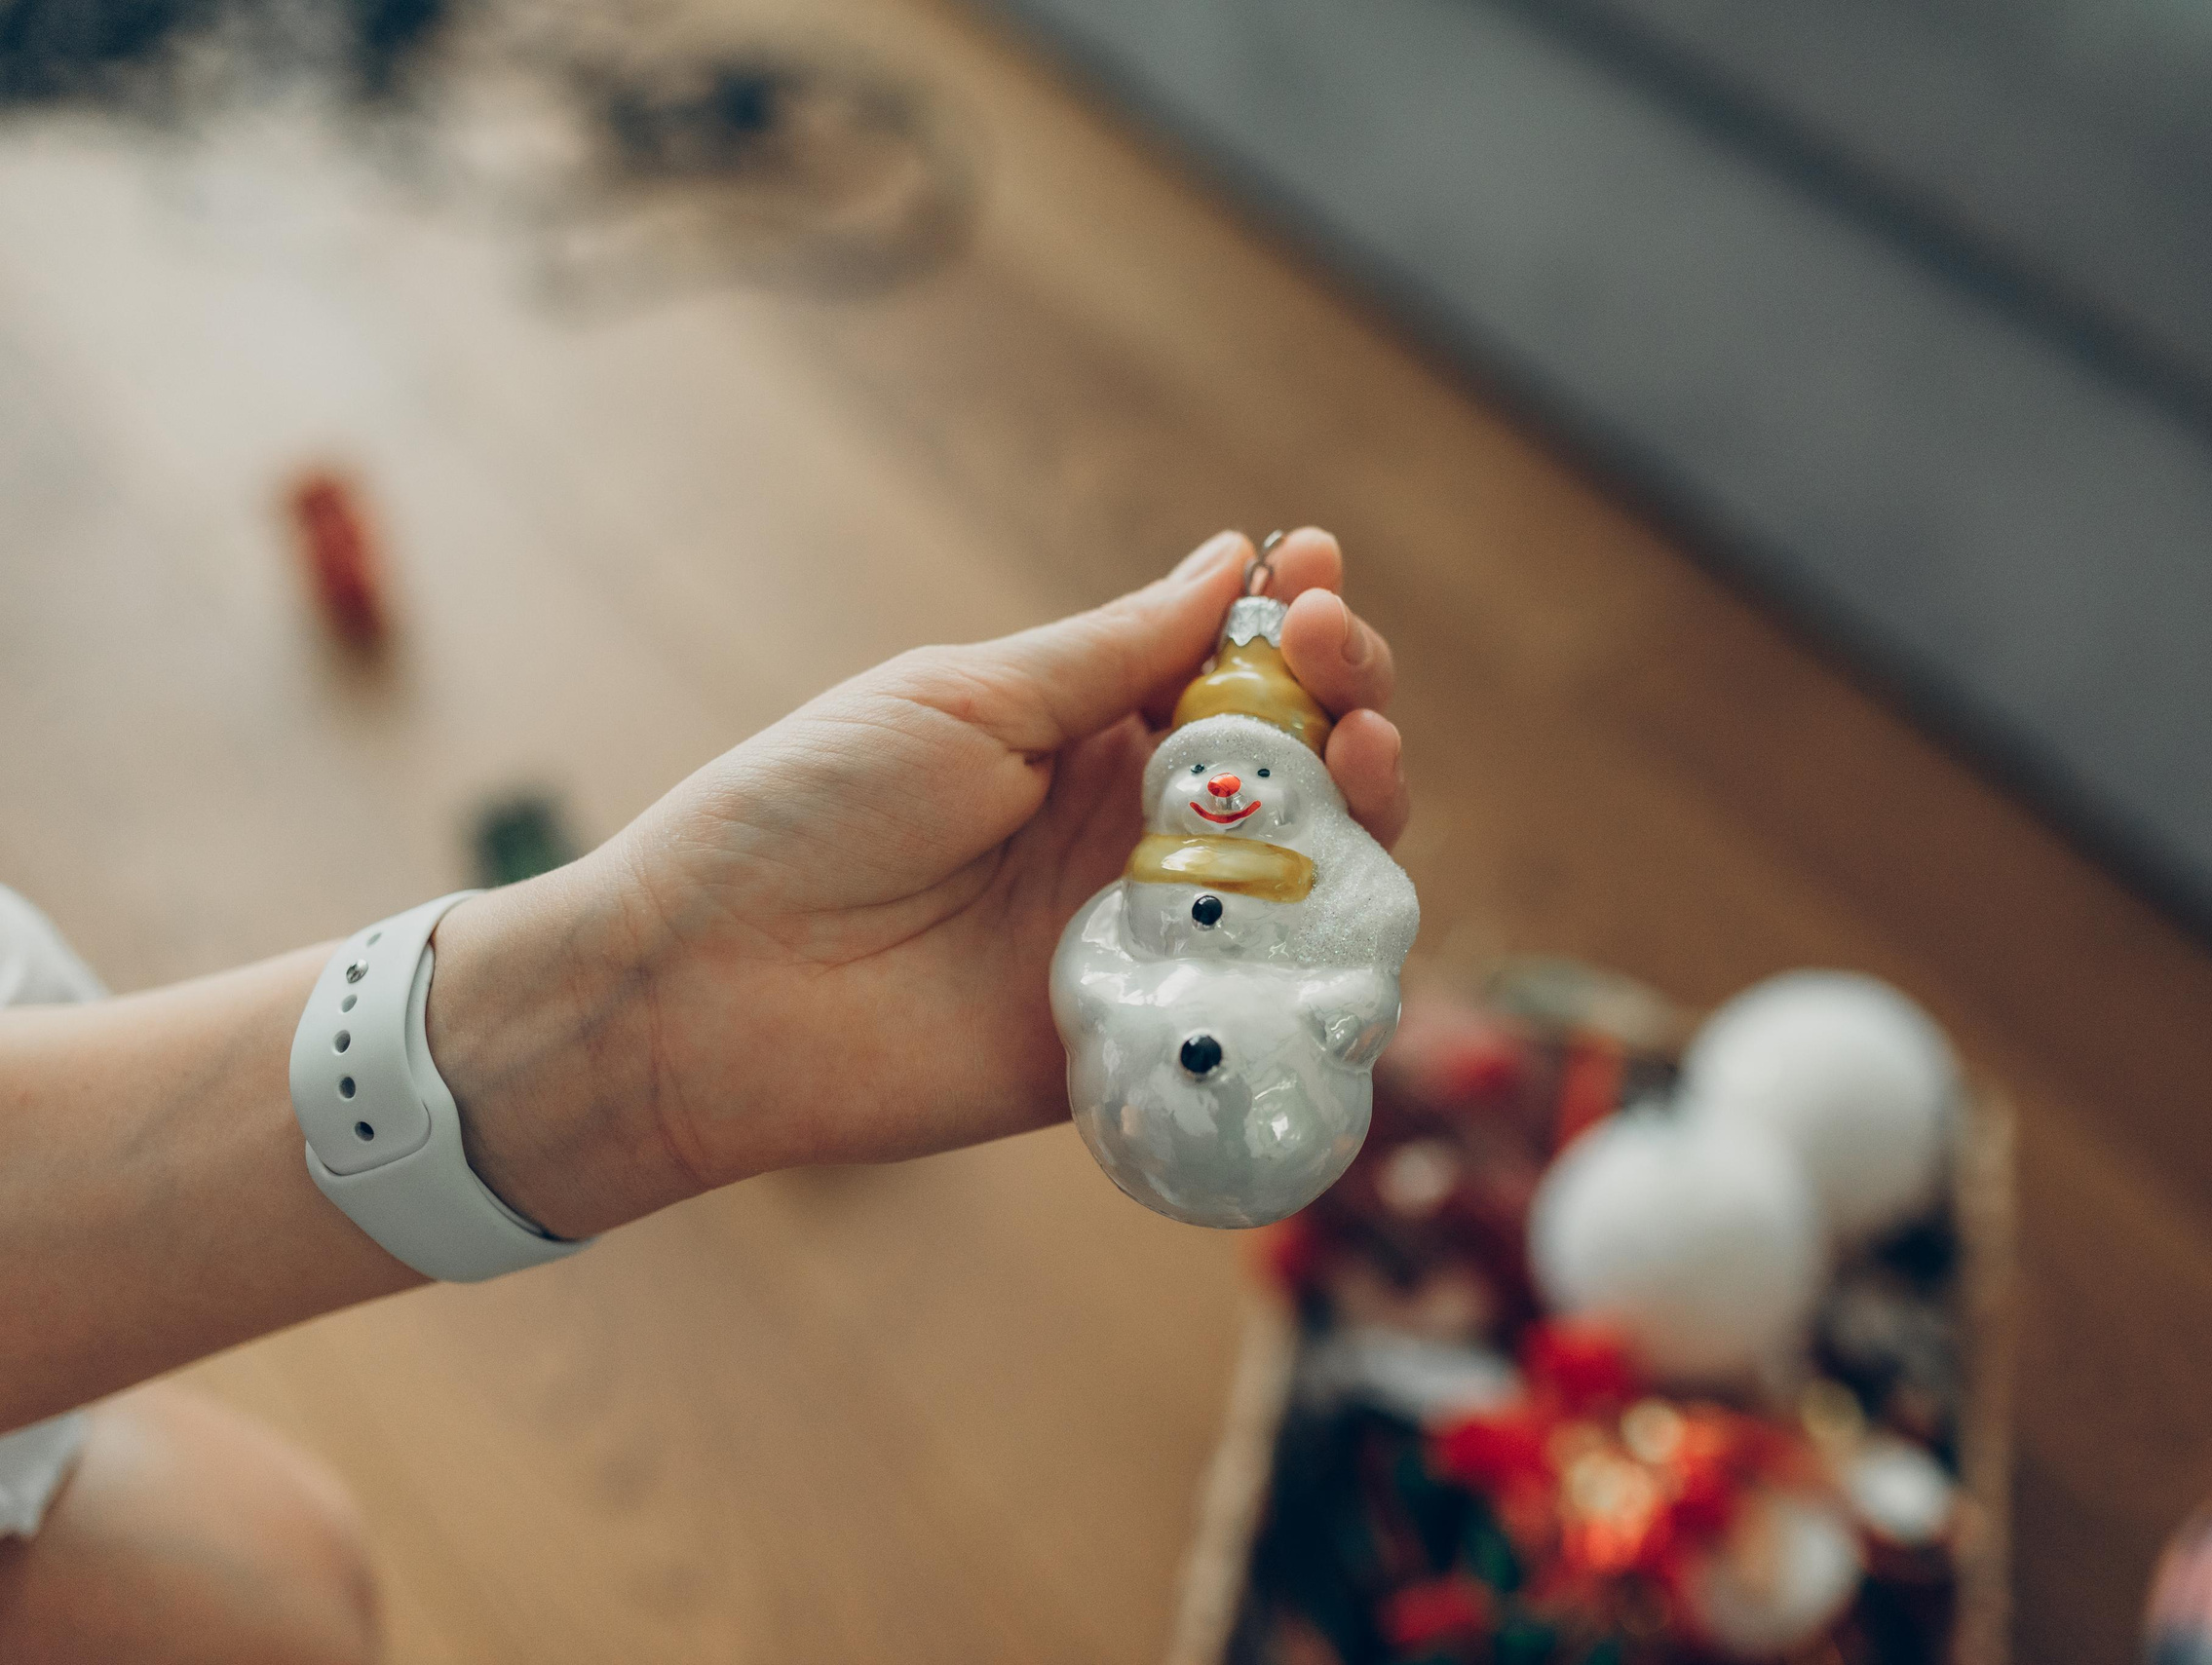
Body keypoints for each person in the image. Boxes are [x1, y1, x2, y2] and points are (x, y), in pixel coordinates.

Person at [0, 528, 1407, 1662]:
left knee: (265, 1581)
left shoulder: (1296, 875)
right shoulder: (1135, 919)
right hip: (1155, 1029)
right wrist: (629, 1026)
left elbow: (1367, 929)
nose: (1226, 788)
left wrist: (637, 1004)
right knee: (250, 1592)